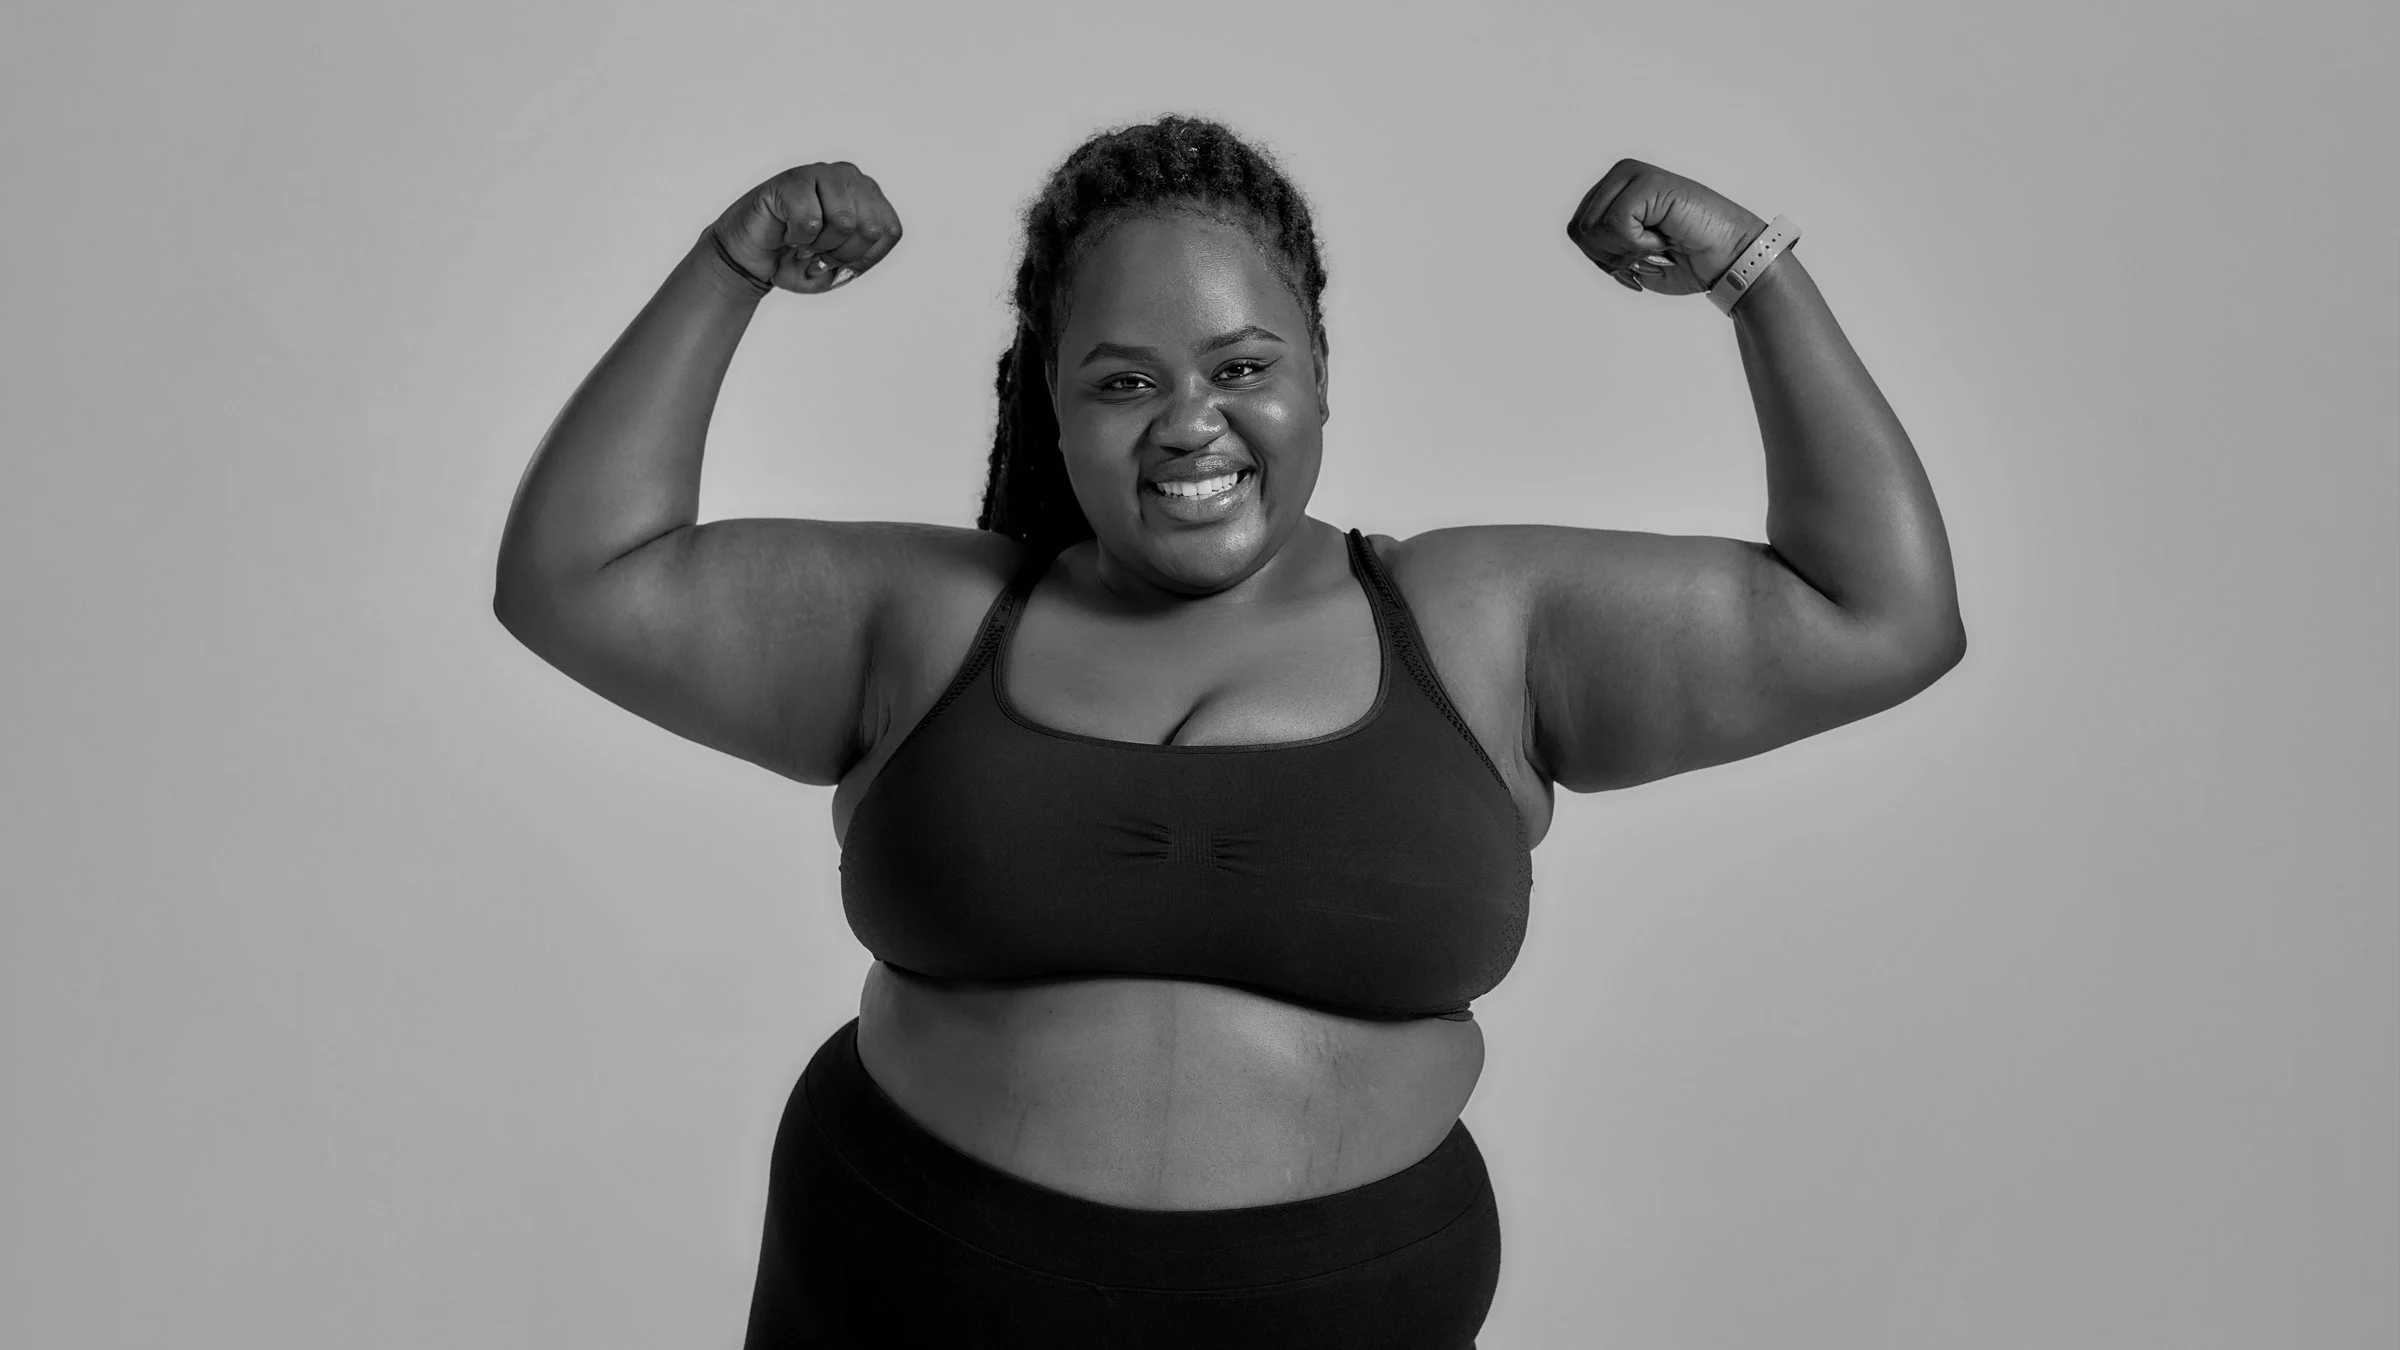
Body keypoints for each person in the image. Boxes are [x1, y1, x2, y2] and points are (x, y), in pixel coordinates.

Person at [492, 114, 1964, 1348]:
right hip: (898, 1286)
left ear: (1320, 368)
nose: (1189, 422)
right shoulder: (929, 613)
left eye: (1242, 367)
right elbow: (577, 578)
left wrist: (1754, 277)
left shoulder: (1478, 617)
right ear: (1052, 407)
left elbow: (1876, 615)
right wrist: (729, 268)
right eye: (1124, 381)